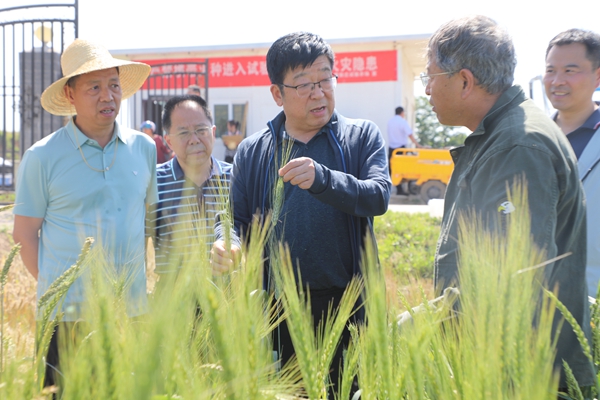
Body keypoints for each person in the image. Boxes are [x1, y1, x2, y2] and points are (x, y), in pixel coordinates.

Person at [212, 31, 391, 396]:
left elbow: (379, 196)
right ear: (277, 94)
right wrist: (224, 242)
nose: (318, 92)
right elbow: (232, 218)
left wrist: (323, 179)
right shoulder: (253, 151)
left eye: (325, 79)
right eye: (304, 84)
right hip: (280, 310)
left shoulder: (361, 137)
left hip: (351, 304)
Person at [425, 16, 594, 389]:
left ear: (465, 81)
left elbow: (508, 279)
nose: (425, 92)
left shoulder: (517, 147)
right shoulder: (503, 135)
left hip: (525, 378)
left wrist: (414, 327)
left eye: (430, 79)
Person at [12, 39, 156, 389]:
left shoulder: (144, 148)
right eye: (94, 87)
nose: (107, 96)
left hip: (131, 311)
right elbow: (24, 235)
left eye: (114, 86)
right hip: (68, 318)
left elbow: (147, 222)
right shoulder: (42, 157)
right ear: (71, 96)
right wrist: (61, 287)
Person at [146, 94, 231, 294]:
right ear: (168, 141)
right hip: (172, 299)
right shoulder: (154, 181)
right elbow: (137, 244)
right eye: (183, 133)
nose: (194, 140)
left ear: (213, 132)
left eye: (201, 130)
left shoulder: (236, 178)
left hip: (228, 298)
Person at [543, 29, 600, 298]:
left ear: (597, 75)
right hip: (531, 300)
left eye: (570, 70)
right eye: (550, 70)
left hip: (592, 295)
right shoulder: (530, 137)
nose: (557, 81)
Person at [387, 106, 422, 195]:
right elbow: (409, 134)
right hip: (401, 148)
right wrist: (418, 145)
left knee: (392, 169)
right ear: (402, 113)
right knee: (403, 169)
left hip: (392, 148)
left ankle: (398, 189)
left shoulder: (390, 122)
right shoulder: (402, 122)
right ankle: (402, 190)